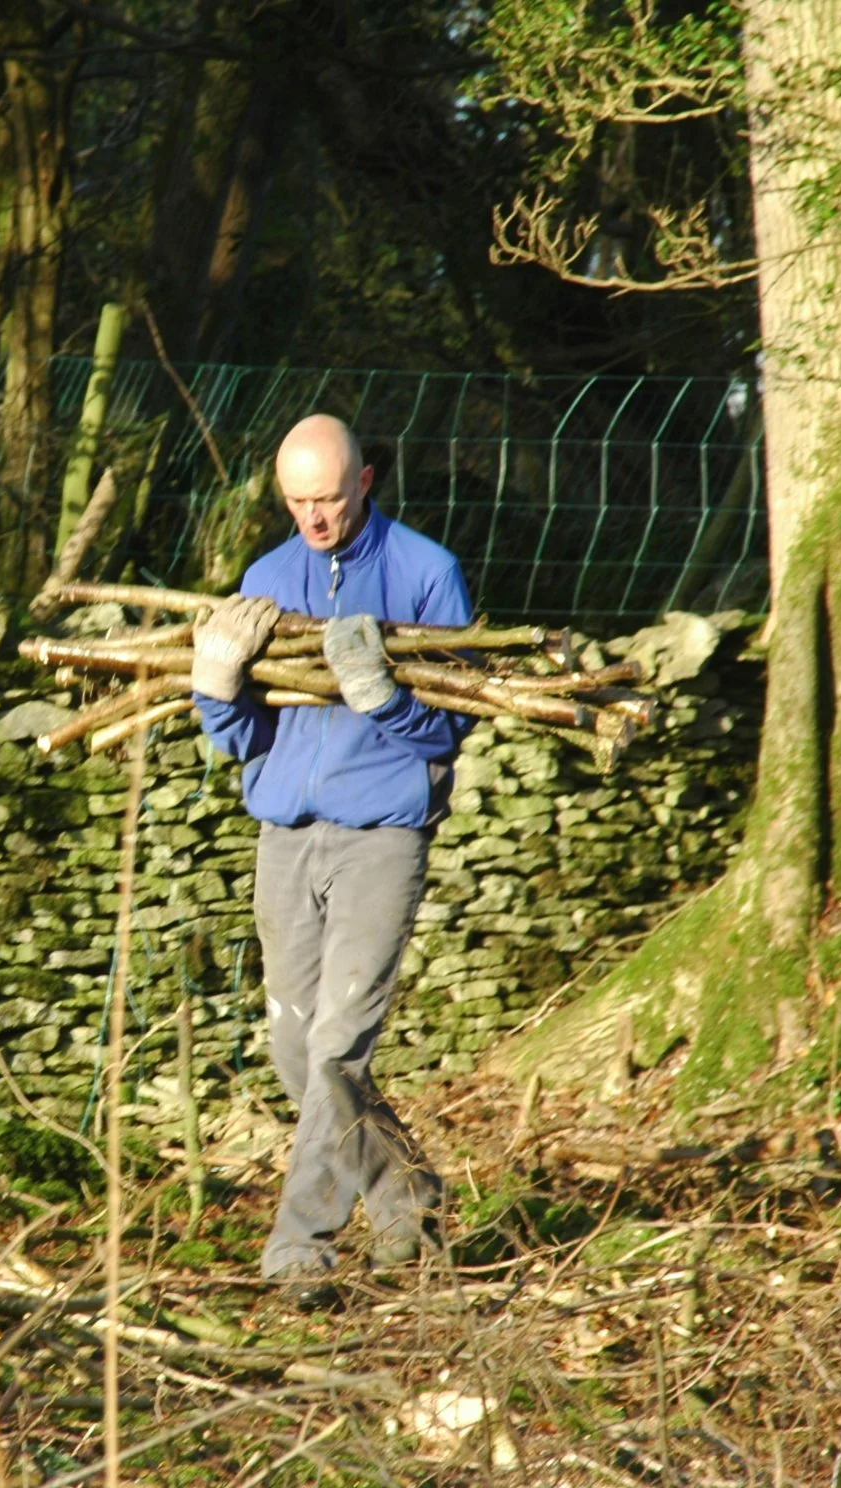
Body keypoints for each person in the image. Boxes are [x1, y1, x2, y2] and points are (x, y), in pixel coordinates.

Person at [192, 413, 475, 1306]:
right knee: (294, 1048)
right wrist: (215, 685)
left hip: (379, 839)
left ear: (367, 480)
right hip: (285, 837)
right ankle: (409, 1205)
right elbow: (244, 740)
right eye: (296, 502)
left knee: (339, 1045)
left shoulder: (428, 574)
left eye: (326, 498)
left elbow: (455, 725)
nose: (312, 519)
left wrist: (383, 697)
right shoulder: (268, 579)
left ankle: (299, 1246)